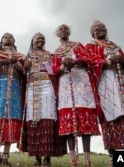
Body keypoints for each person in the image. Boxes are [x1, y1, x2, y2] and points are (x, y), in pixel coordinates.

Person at [85, 20, 124, 167]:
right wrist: (105, 62)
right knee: (110, 117)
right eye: (97, 28)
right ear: (92, 33)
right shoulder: (90, 46)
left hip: (122, 82)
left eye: (103, 27)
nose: (101, 30)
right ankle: (114, 157)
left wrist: (123, 60)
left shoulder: (114, 45)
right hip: (105, 83)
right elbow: (90, 62)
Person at [52, 24, 100, 166]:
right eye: (60, 30)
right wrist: (62, 66)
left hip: (81, 83)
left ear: (69, 32)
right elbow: (55, 70)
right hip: (66, 85)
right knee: (68, 126)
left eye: (66, 29)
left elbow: (88, 59)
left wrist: (75, 61)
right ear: (57, 34)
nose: (63, 32)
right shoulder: (56, 52)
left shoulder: (78, 45)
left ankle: (87, 159)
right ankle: (73, 160)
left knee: (84, 120)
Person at [23, 32, 67, 166]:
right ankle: (37, 157)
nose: (40, 40)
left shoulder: (50, 54)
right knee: (33, 118)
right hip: (32, 85)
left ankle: (47, 156)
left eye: (42, 38)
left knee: (48, 116)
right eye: (37, 38)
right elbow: (24, 71)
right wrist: (26, 64)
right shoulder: (28, 55)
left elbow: (55, 69)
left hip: (47, 84)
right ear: (33, 41)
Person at [0, 32, 25, 166]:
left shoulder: (19, 56)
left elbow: (24, 73)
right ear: (1, 41)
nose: (8, 38)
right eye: (5, 37)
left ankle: (5, 157)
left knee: (11, 120)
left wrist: (17, 65)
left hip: (14, 87)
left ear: (14, 41)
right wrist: (2, 61)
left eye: (10, 37)